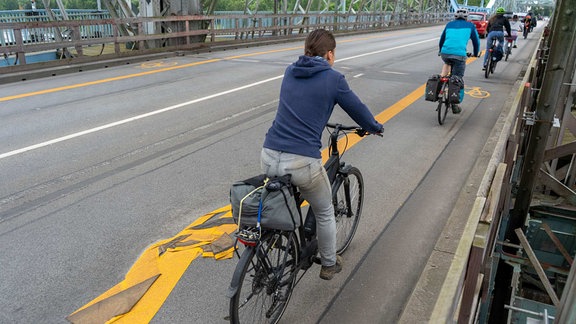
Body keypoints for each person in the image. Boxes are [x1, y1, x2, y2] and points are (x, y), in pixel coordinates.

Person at [261, 29, 383, 280]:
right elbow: (357, 109)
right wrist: (374, 127)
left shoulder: (289, 71)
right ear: (329, 54)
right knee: (325, 210)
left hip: (269, 154)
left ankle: (277, 239)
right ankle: (328, 263)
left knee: (289, 198)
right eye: (334, 53)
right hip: (301, 161)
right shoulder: (333, 78)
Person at [438, 8, 480, 114]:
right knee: (457, 79)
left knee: (447, 62)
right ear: (466, 17)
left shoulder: (449, 25)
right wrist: (476, 53)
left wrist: (440, 51)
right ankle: (455, 105)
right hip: (459, 55)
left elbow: (442, 40)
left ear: (455, 16)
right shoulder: (470, 26)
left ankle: (440, 84)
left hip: (445, 53)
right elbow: (476, 42)